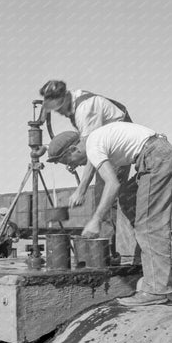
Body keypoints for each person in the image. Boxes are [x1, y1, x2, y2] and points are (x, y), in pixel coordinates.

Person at [46, 122, 172, 306]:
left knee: (148, 225)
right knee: (127, 197)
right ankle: (148, 257)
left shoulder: (93, 146)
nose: (74, 166)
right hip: (157, 154)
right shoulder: (93, 140)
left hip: (155, 158)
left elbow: (112, 184)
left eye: (70, 163)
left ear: (73, 149)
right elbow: (98, 175)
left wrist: (96, 220)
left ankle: (156, 290)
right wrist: (81, 189)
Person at [40, 80, 132, 257]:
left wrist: (80, 190)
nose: (59, 113)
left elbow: (93, 149)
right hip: (109, 143)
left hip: (118, 145)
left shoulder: (85, 109)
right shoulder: (75, 101)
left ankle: (108, 255)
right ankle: (108, 251)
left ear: (65, 98)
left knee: (106, 196)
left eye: (59, 108)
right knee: (102, 196)